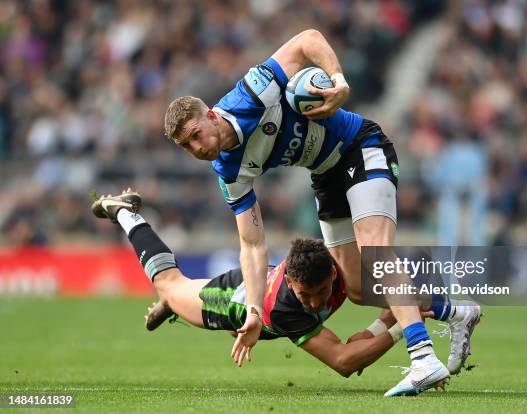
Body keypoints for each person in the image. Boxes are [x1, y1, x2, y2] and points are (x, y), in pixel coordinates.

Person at [162, 29, 481, 396]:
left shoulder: (251, 93)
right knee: (358, 288)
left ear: (212, 116)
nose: (196, 148)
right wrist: (253, 310)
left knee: (375, 251)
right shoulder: (229, 172)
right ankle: (454, 311)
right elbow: (251, 245)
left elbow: (306, 39)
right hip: (325, 175)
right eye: (186, 146)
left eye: (196, 134)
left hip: (361, 147)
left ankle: (422, 357)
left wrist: (339, 82)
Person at [91, 189, 428, 382]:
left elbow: (355, 342)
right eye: (305, 295)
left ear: (332, 276)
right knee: (168, 282)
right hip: (227, 301)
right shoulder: (288, 307)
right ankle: (126, 214)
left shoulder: (338, 267)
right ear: (293, 283)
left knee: (181, 290)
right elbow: (344, 360)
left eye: (321, 293)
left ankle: (176, 302)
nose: (313, 304)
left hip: (257, 290)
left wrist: (390, 318)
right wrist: (401, 325)